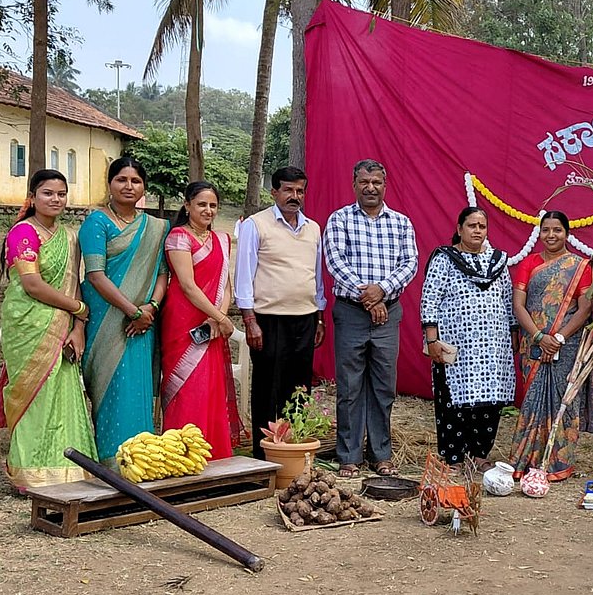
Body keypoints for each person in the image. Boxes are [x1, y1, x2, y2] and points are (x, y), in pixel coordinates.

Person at [0, 170, 98, 487]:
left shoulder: (69, 237)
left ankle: (69, 470)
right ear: (33, 197)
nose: (56, 199)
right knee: (35, 396)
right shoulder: (23, 233)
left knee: (64, 395)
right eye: (48, 193)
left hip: (64, 325)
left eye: (61, 194)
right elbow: (33, 285)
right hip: (27, 325)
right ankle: (31, 472)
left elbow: (74, 282)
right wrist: (78, 308)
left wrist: (79, 327)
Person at [323, 159, 418, 478]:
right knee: (350, 386)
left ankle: (381, 455)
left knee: (383, 386)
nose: (370, 188)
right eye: (364, 182)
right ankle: (348, 456)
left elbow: (410, 263)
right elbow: (335, 262)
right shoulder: (340, 219)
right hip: (351, 312)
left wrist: (382, 291)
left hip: (387, 314)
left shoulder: (401, 223)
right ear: (354, 185)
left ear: (385, 185)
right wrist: (369, 297)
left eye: (376, 182)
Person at [80, 157, 170, 464]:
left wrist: (151, 307)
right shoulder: (96, 222)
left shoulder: (155, 227)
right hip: (107, 321)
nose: (128, 186)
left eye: (135, 181)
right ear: (109, 184)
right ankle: (111, 461)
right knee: (111, 387)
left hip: (144, 322)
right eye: (121, 179)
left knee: (136, 387)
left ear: (144, 187)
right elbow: (95, 275)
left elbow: (162, 273)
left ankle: (142, 459)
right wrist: (133, 311)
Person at [234, 166, 327, 459]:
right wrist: (250, 320)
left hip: (305, 318)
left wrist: (319, 316)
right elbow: (243, 276)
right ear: (274, 192)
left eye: (299, 190)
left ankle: (293, 451)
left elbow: (316, 276)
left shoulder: (313, 228)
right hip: (268, 320)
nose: (294, 196)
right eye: (288, 190)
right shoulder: (255, 225)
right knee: (268, 388)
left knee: (299, 388)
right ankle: (264, 457)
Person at [420, 207, 515, 470]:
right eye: (472, 225)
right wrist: (432, 340)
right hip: (454, 345)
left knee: (490, 400)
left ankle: (479, 454)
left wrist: (513, 336)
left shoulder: (498, 261)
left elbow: (508, 301)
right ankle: (454, 458)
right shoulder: (445, 259)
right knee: (453, 399)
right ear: (459, 228)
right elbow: (430, 300)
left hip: (493, 347)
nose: (477, 231)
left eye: (482, 226)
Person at [509, 211, 593, 480]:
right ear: (539, 233)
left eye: (557, 230)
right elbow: (518, 305)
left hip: (567, 345)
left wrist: (558, 338)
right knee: (533, 399)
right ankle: (526, 460)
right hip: (534, 344)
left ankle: (558, 464)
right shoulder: (529, 263)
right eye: (546, 230)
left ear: (567, 234)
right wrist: (539, 337)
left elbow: (585, 309)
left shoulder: (580, 266)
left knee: (563, 401)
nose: (551, 235)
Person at [160, 181, 242, 459]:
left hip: (212, 324)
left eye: (213, 205)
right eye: (202, 204)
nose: (208, 210)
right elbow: (187, 286)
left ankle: (213, 455)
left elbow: (225, 284)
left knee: (210, 387)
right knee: (188, 386)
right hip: (184, 322)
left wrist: (219, 319)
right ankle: (181, 455)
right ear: (187, 205)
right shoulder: (178, 237)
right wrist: (220, 318)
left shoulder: (222, 239)